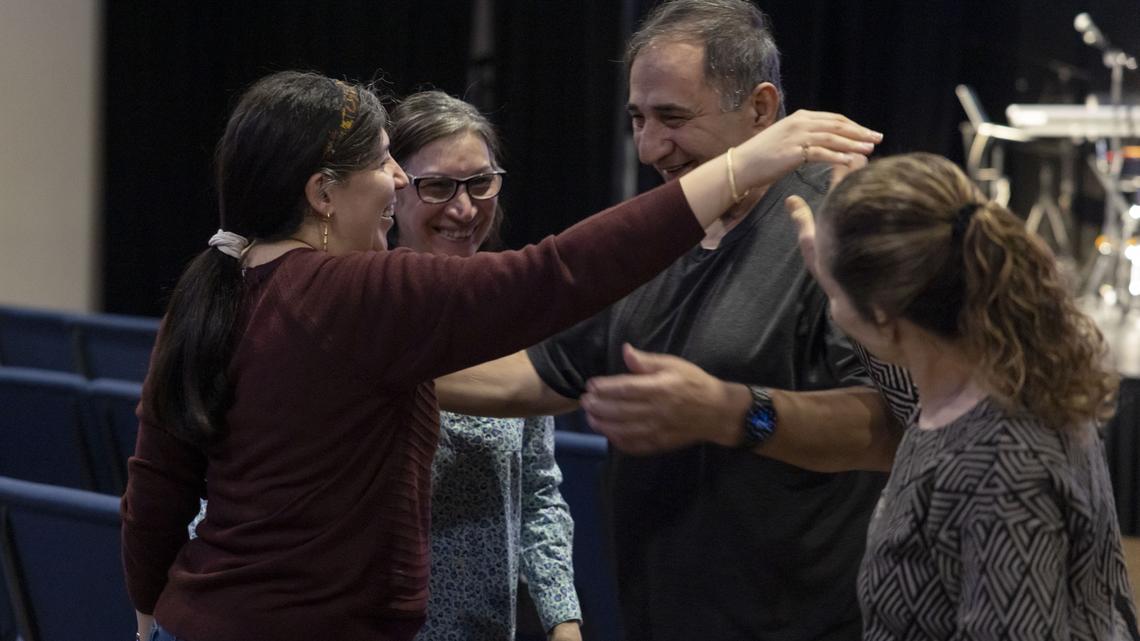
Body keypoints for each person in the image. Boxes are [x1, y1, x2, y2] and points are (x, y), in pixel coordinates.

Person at [118, 70, 879, 641]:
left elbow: (157, 484)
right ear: (322, 193)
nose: (397, 180)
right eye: (384, 164)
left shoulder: (212, 286)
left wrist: (151, 610)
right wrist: (742, 167)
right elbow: (557, 274)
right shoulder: (354, 292)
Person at [437, 2, 912, 640]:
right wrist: (378, 370)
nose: (650, 146)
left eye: (674, 118)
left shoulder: (829, 228)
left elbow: (887, 429)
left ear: (761, 109)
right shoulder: (659, 231)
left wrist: (733, 412)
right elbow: (544, 374)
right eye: (638, 118)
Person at [787, 151, 1139, 640]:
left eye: (834, 291)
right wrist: (840, 274)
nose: (830, 301)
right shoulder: (990, 376)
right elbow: (914, 401)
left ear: (883, 312)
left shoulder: (1001, 467)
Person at [388, 90, 582, 641]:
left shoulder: (514, 313)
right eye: (437, 187)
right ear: (392, 189)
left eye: (480, 183)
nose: (464, 209)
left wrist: (564, 621)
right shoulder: (356, 306)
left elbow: (538, 492)